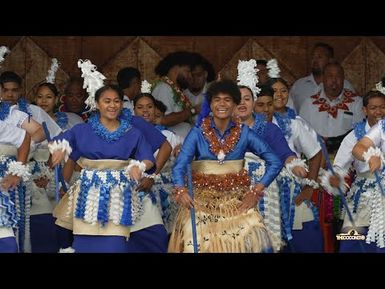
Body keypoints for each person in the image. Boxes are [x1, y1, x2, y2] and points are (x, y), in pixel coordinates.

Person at [50, 84, 169, 253]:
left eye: (116, 101)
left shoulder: (133, 131)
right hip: (88, 199)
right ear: (97, 104)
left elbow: (148, 158)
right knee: (84, 244)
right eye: (107, 101)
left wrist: (140, 166)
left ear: (121, 104)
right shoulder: (81, 130)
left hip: (119, 197)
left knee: (115, 244)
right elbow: (58, 141)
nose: (112, 105)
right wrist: (59, 149)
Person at [168, 79, 283, 253]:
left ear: (235, 105)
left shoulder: (244, 133)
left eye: (227, 100)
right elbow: (179, 166)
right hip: (201, 205)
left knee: (257, 241)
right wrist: (180, 190)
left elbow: (275, 161)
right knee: (196, 246)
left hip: (237, 204)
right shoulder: (197, 133)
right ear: (211, 104)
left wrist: (256, 191)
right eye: (217, 99)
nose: (222, 104)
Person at [322, 89, 385, 252]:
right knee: (352, 238)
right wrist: (335, 178)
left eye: (382, 107)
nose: (378, 111)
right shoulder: (353, 136)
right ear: (364, 110)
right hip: (363, 193)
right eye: (373, 108)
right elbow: (339, 166)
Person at [271, 77, 324, 252]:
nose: (279, 95)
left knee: (302, 239)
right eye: (274, 91)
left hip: (291, 188)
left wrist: (309, 186)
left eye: (283, 91)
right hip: (264, 191)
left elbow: (316, 154)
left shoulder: (295, 123)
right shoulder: (253, 124)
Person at [0, 100, 46, 252]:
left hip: (3, 182)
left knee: (7, 243)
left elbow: (24, 138)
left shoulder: (12, 117)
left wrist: (16, 171)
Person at [134, 92, 182, 233]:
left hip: (165, 192)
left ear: (156, 110)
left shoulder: (169, 136)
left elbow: (183, 162)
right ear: (133, 110)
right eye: (140, 107)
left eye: (149, 107)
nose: (145, 111)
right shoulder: (127, 133)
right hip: (136, 190)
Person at [298, 62, 364, 156]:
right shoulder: (309, 104)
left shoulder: (356, 103)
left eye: (338, 76)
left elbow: (359, 133)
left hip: (347, 157)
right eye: (330, 76)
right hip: (316, 157)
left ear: (343, 79)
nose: (334, 80)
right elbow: (302, 133)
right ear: (323, 79)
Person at [289, 42, 355, 113]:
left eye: (319, 57)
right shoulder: (299, 85)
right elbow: (289, 112)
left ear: (330, 60)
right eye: (313, 57)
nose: (315, 61)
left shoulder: (345, 85)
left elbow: (354, 110)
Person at [152, 51, 195, 140]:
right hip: (171, 147)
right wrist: (193, 110)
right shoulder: (163, 88)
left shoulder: (176, 90)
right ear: (175, 68)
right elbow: (165, 119)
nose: (190, 76)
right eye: (187, 71)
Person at [184, 53, 215, 123]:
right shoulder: (181, 95)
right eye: (192, 75)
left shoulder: (215, 92)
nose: (195, 79)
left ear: (205, 74)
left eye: (198, 75)